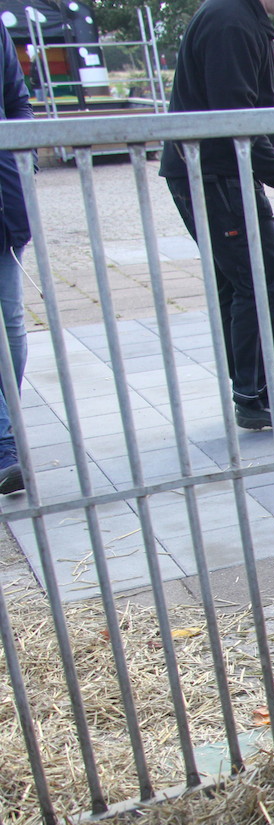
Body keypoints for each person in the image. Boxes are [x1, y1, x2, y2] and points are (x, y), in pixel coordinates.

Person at [159, 0, 274, 433]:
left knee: (243, 285)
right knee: (264, 284)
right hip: (214, 173)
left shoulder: (241, 17)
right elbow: (236, 117)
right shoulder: (230, 20)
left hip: (219, 170)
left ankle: (255, 386)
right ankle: (252, 395)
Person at [0, 39, 33, 495]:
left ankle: (9, 429)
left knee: (12, 324)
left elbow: (17, 102)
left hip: (5, 203)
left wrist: (23, 165)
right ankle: (6, 444)